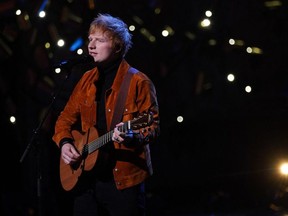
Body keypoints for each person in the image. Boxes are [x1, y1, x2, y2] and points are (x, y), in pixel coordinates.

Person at [52, 13, 160, 216]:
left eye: (99, 40)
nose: (91, 45)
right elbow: (64, 119)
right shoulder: (85, 80)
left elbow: (152, 126)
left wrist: (132, 136)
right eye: (90, 39)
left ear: (118, 46)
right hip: (87, 181)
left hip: (123, 181)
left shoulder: (138, 82)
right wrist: (65, 142)